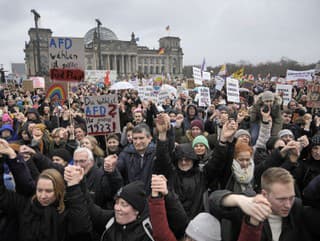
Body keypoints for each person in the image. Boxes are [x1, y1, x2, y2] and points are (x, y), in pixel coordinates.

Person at [0, 138, 92, 241]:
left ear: (58, 191)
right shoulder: (25, 204)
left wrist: (74, 185)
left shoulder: (66, 212)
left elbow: (82, 228)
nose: (43, 196)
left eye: (49, 191)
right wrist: (8, 156)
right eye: (39, 190)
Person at [209, 167, 310, 241]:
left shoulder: (297, 207)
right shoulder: (251, 206)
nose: (288, 205)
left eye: (291, 197)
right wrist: (239, 200)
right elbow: (213, 200)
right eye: (281, 199)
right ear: (265, 194)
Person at [88, 181, 155, 241]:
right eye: (116, 203)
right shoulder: (111, 220)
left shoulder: (148, 232)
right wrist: (79, 183)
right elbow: (91, 209)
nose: (117, 208)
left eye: (124, 204)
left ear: (137, 210)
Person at [115, 123, 156, 193]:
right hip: (132, 196)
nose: (138, 142)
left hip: (152, 197)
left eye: (141, 138)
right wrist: (110, 167)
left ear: (149, 138)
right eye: (135, 138)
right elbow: (118, 170)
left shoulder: (156, 153)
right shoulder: (125, 153)